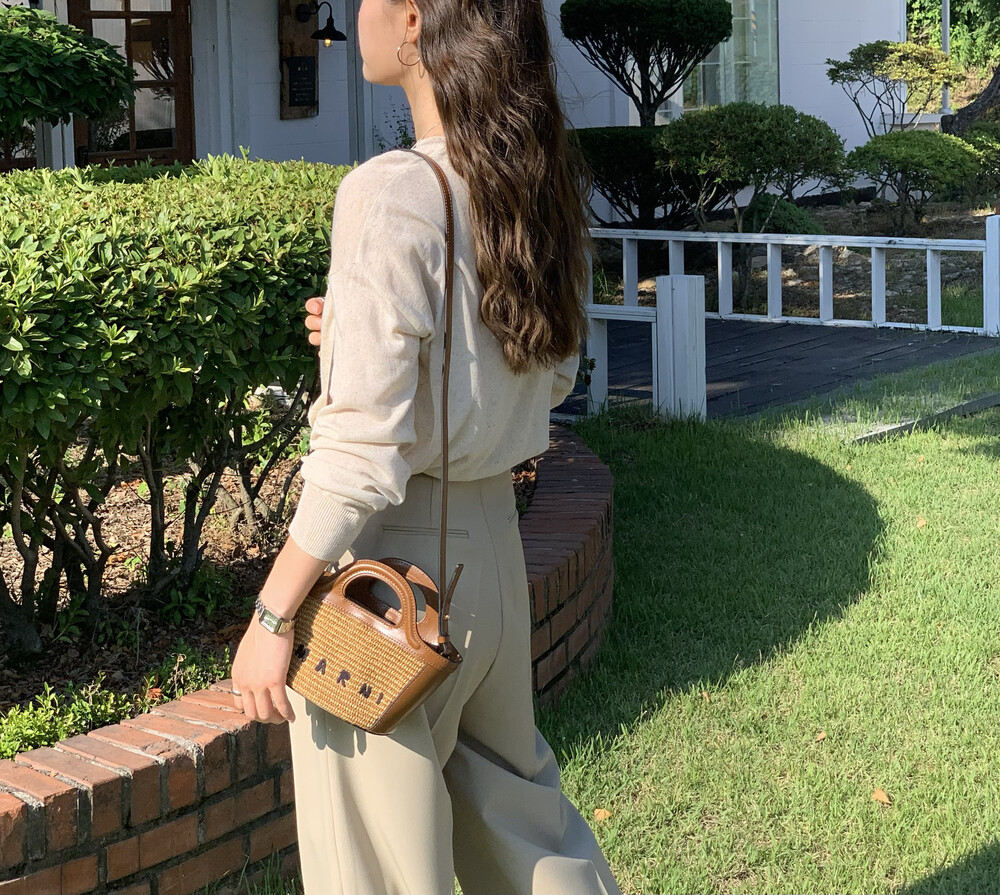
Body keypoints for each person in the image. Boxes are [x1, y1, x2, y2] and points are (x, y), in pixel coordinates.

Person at [230, 0, 621, 891]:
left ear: (412, 21)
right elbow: (554, 373)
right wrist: (368, 341)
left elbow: (360, 452)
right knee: (523, 835)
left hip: (391, 575)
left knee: (373, 869)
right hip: (494, 552)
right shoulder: (532, 180)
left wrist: (272, 615)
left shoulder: (390, 191)